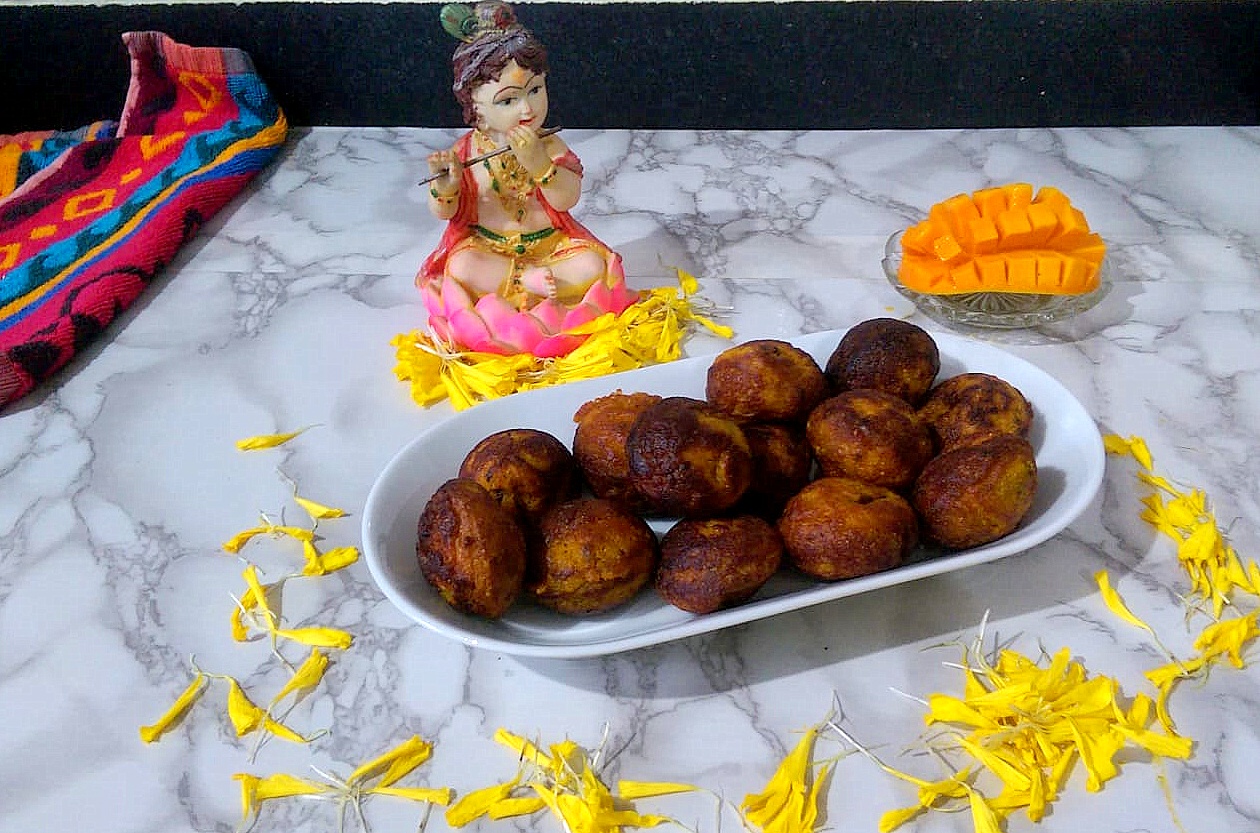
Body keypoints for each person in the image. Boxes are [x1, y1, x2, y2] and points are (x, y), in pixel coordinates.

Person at [417, 2, 637, 357]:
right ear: (478, 111)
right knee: (461, 266)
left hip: (550, 246)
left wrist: (540, 165)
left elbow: (566, 199)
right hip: (488, 249)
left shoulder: (548, 145)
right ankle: (530, 289)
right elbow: (446, 214)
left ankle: (522, 298)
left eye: (535, 90)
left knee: (592, 265)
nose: (528, 109)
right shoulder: (468, 150)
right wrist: (444, 188)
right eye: (508, 101)